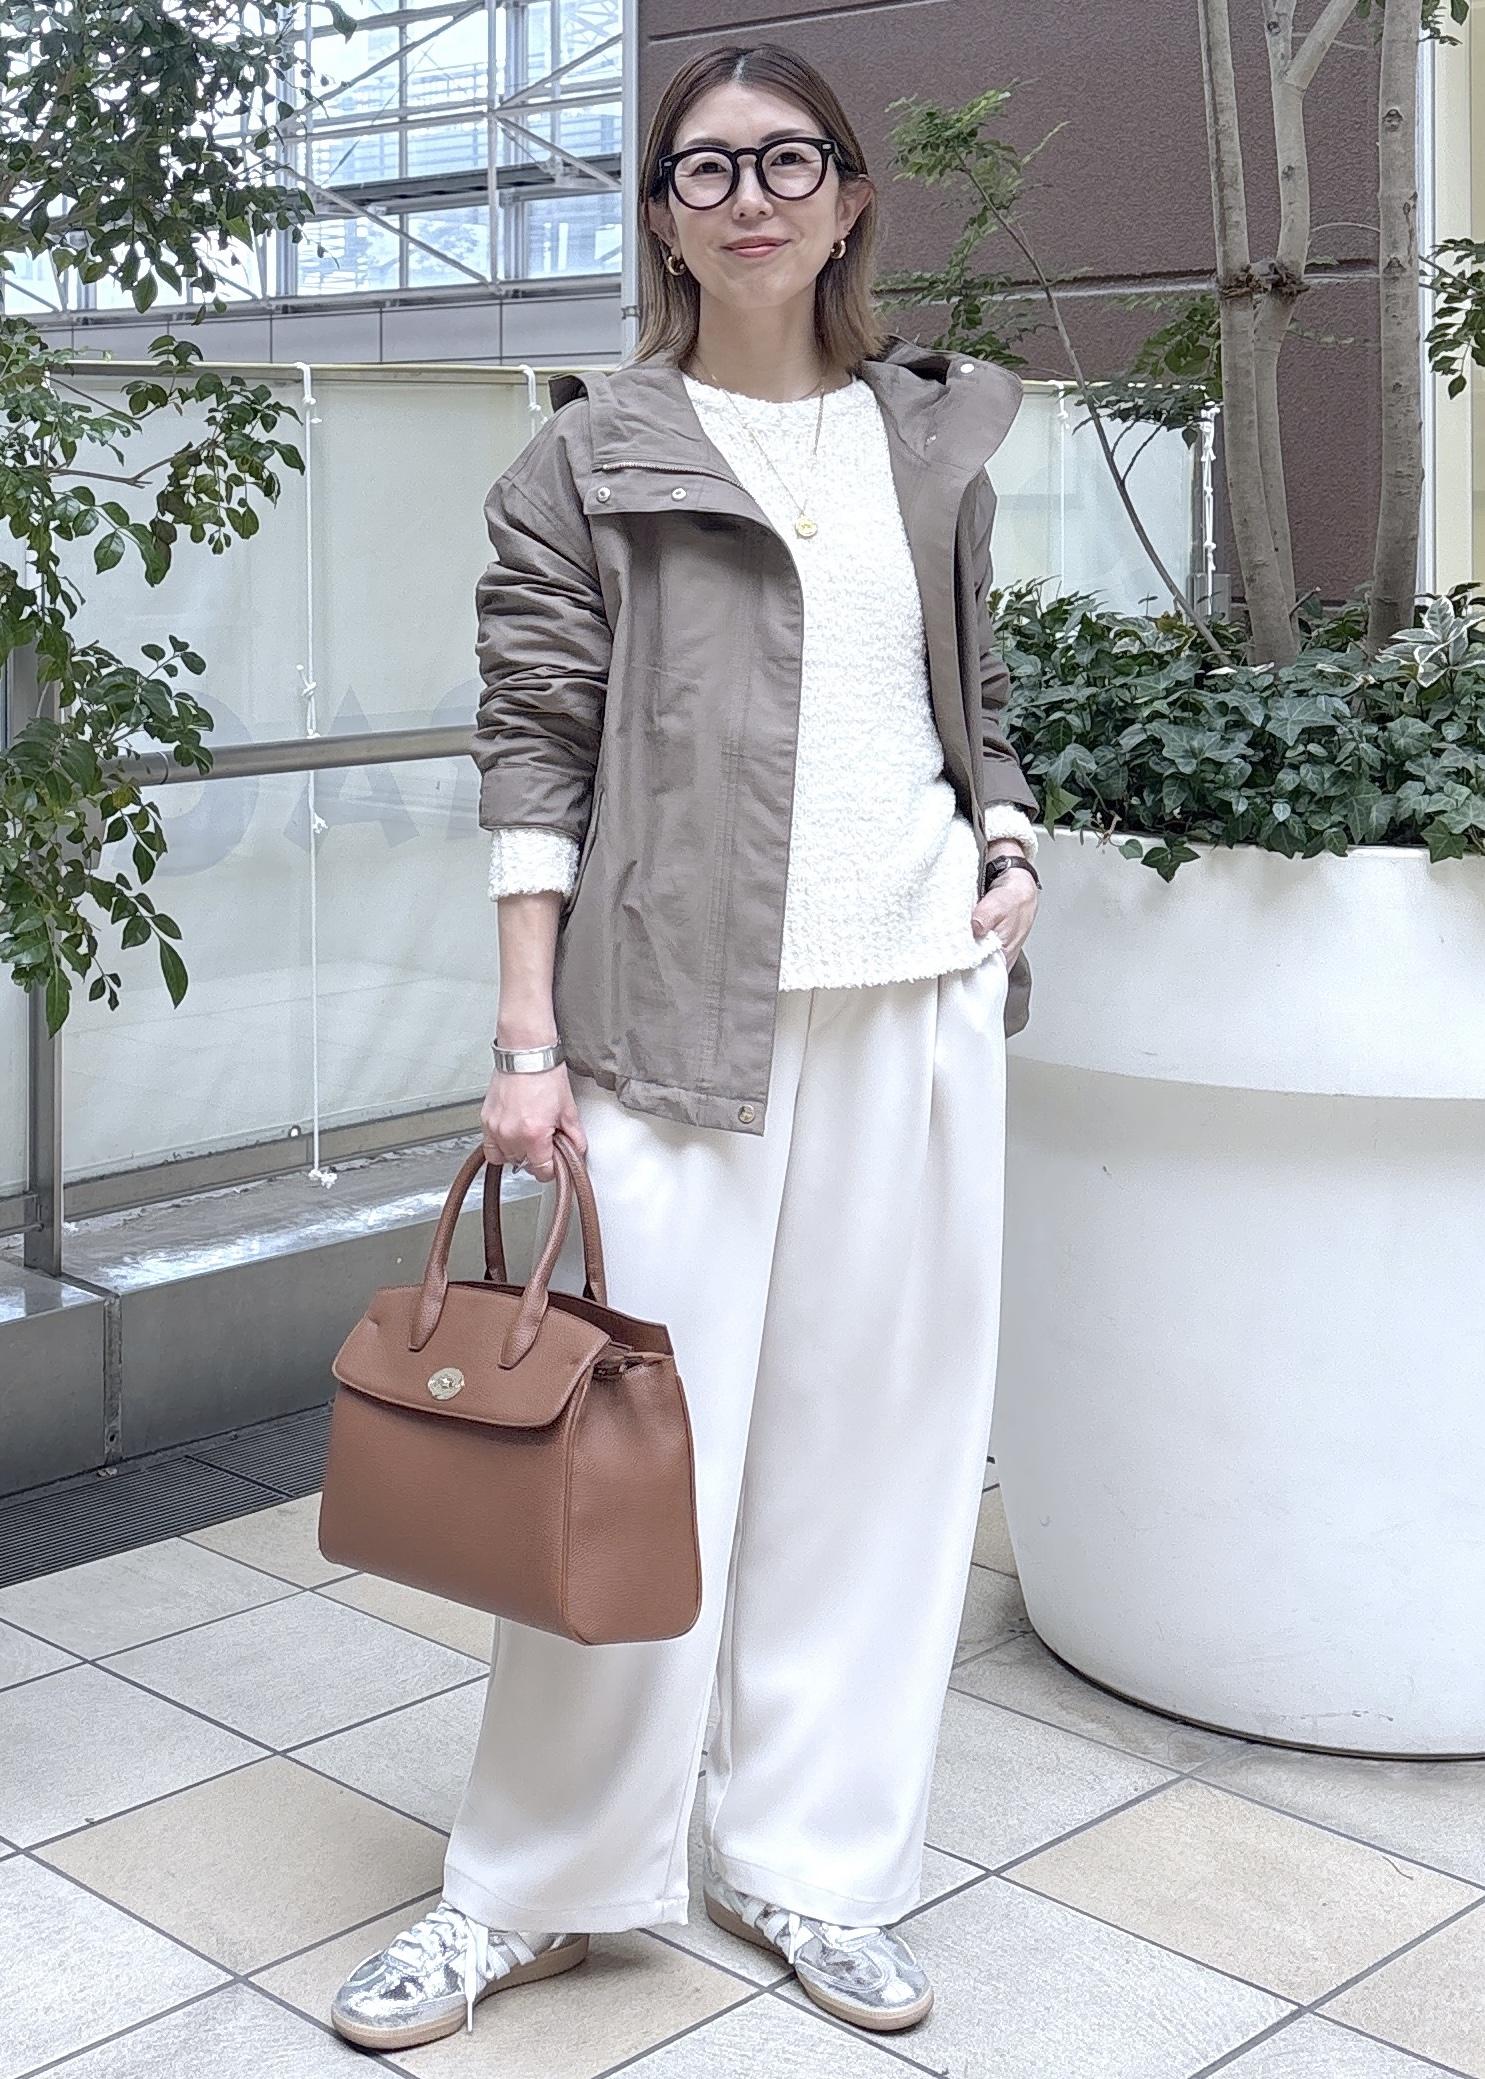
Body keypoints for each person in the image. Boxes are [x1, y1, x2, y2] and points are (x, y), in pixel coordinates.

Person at [330, 38, 1042, 2055]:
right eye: (703, 167)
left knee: (872, 1465)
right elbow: (532, 747)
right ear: (658, 216)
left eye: (786, 160)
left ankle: (809, 1861)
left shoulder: (929, 439)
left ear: (847, 198)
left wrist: (1007, 834)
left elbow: (971, 688)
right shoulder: (587, 460)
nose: (749, 196)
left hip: (913, 1002)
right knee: (628, 1471)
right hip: (664, 1026)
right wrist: (523, 1036)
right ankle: (531, 1887)